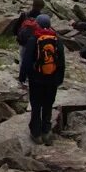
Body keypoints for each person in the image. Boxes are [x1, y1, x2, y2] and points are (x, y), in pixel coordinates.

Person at [18, 14, 66, 145]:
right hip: (52, 79)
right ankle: (46, 131)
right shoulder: (57, 40)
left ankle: (36, 133)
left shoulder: (34, 39)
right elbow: (61, 61)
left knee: (36, 105)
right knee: (48, 104)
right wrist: (60, 78)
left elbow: (27, 61)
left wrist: (22, 77)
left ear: (37, 25)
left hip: (36, 79)